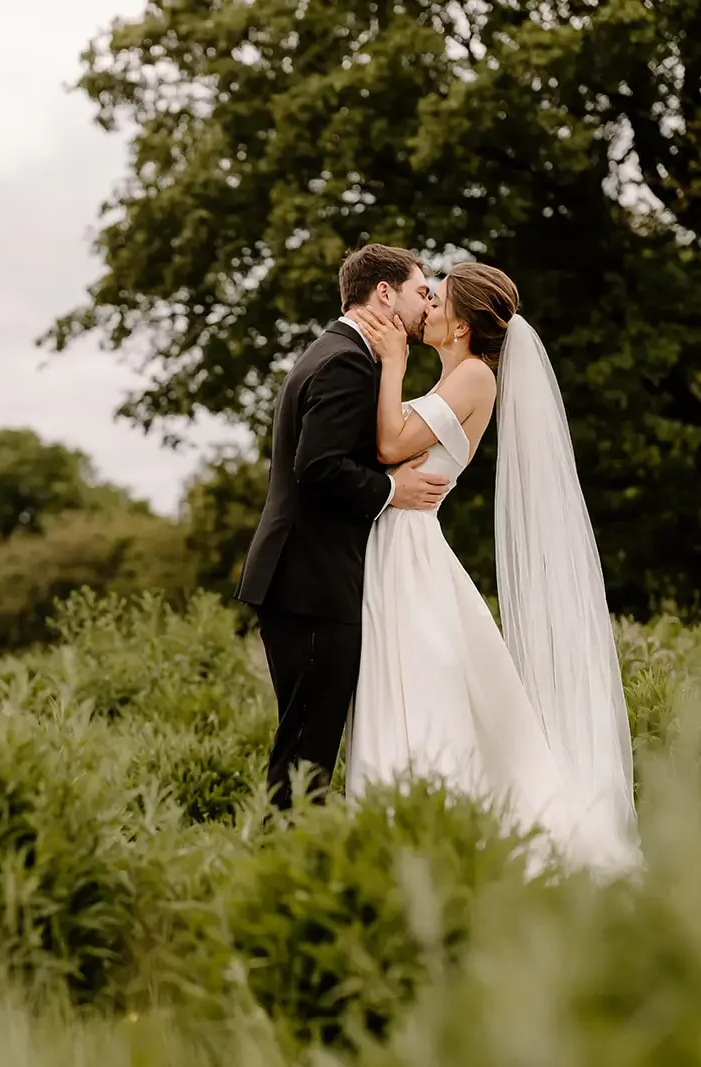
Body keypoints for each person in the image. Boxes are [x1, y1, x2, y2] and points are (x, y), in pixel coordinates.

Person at [345, 261, 641, 876]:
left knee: (426, 687)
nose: (424, 306)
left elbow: (391, 444)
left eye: (437, 299)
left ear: (458, 325)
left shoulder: (476, 376)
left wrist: (392, 363)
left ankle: (438, 842)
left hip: (411, 548)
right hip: (399, 542)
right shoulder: (456, 376)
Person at [235, 244, 447, 809]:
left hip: (303, 579)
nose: (426, 305)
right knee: (306, 750)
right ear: (385, 293)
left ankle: (284, 862)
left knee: (305, 742)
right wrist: (392, 489)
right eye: (420, 292)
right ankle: (282, 872)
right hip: (311, 583)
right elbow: (318, 467)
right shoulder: (347, 362)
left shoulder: (336, 352)